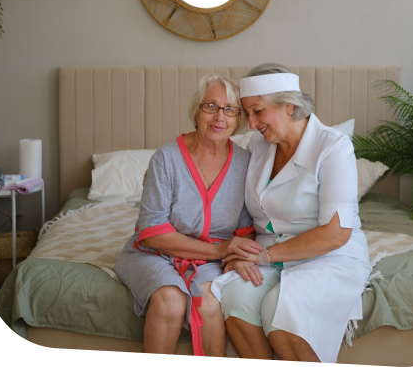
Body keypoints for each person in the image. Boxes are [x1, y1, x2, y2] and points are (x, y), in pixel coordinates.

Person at [211, 63, 371, 364]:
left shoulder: (333, 147)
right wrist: (237, 251)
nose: (251, 123)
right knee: (235, 299)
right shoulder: (258, 145)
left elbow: (335, 234)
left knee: (279, 309)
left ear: (289, 105)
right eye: (247, 113)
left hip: (328, 256)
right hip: (268, 253)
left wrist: (261, 257)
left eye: (258, 111)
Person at [115, 74, 263, 357]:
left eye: (230, 109)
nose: (220, 116)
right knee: (170, 300)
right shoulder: (165, 158)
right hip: (153, 254)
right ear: (196, 112)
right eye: (211, 106)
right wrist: (219, 250)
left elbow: (246, 229)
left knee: (209, 303)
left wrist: (237, 257)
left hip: (209, 260)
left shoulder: (245, 163)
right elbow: (152, 232)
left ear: (239, 119)